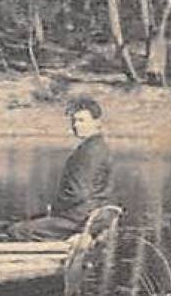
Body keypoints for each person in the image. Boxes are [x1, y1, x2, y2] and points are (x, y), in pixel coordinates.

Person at [9, 97, 114, 241]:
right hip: (88, 214)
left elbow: (79, 193)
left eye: (82, 120)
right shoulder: (98, 147)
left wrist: (56, 208)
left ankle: (43, 259)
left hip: (79, 218)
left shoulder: (89, 151)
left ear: (97, 122)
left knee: (18, 230)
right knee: (33, 219)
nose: (76, 125)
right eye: (74, 121)